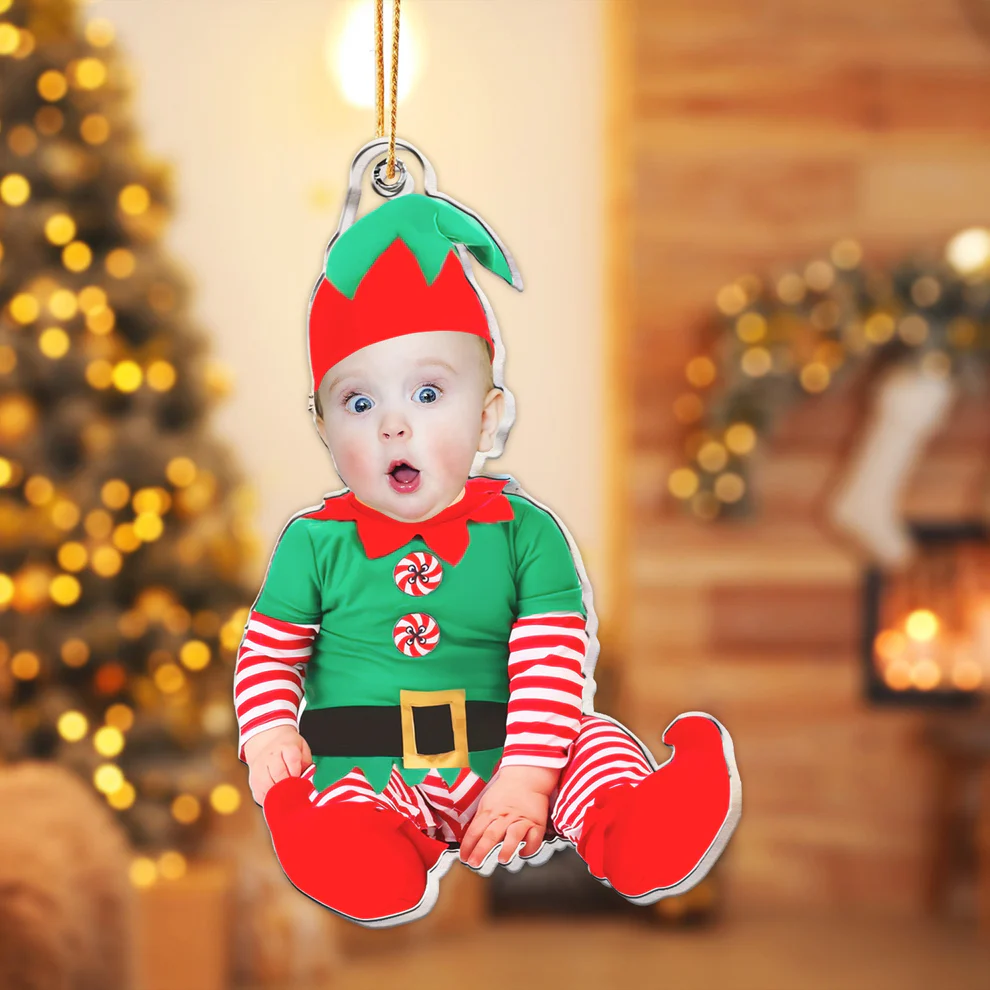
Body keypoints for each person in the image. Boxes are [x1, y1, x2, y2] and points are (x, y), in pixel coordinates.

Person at [233, 193, 739, 927]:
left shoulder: (524, 534)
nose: (394, 425)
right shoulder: (313, 544)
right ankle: (351, 853)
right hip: (373, 772)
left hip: (510, 751)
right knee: (336, 798)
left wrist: (528, 780)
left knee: (591, 741)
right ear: (323, 425)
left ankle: (638, 827)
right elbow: (268, 655)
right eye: (358, 403)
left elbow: (550, 665)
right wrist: (270, 732)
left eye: (429, 392)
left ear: (489, 418)